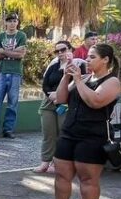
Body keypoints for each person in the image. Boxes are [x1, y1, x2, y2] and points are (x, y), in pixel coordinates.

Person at [38, 44, 121, 199]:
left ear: (105, 60)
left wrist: (77, 80)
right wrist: (66, 76)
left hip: (93, 135)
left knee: (88, 179)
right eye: (87, 57)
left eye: (92, 57)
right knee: (61, 174)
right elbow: (59, 98)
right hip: (69, 132)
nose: (87, 60)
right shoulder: (83, 78)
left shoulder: (112, 82)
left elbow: (95, 101)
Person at [36, 41, 87, 173]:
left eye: (63, 50)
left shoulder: (79, 64)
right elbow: (45, 84)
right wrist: (51, 95)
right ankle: (45, 161)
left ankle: (56, 162)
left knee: (62, 134)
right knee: (48, 134)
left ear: (70, 49)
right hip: (49, 102)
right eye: (57, 51)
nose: (60, 53)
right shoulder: (53, 65)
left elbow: (79, 82)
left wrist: (61, 94)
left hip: (66, 104)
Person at [0, 13, 27, 138]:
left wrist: (3, 51)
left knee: (12, 103)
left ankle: (8, 130)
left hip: (15, 73)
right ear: (5, 22)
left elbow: (20, 55)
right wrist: (13, 52)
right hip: (1, 72)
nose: (12, 23)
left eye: (14, 21)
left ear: (17, 22)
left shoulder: (21, 35)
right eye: (10, 21)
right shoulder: (1, 36)